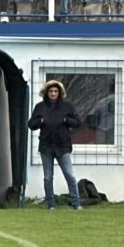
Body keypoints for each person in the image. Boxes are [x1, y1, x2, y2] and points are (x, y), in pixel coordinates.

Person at [28, 79, 82, 210]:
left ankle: (76, 203)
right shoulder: (40, 107)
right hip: (46, 146)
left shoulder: (67, 106)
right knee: (47, 177)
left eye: (56, 91)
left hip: (63, 145)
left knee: (69, 174)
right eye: (51, 91)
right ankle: (51, 204)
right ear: (46, 92)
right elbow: (31, 124)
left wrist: (66, 120)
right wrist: (40, 121)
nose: (53, 93)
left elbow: (78, 123)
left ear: (60, 93)